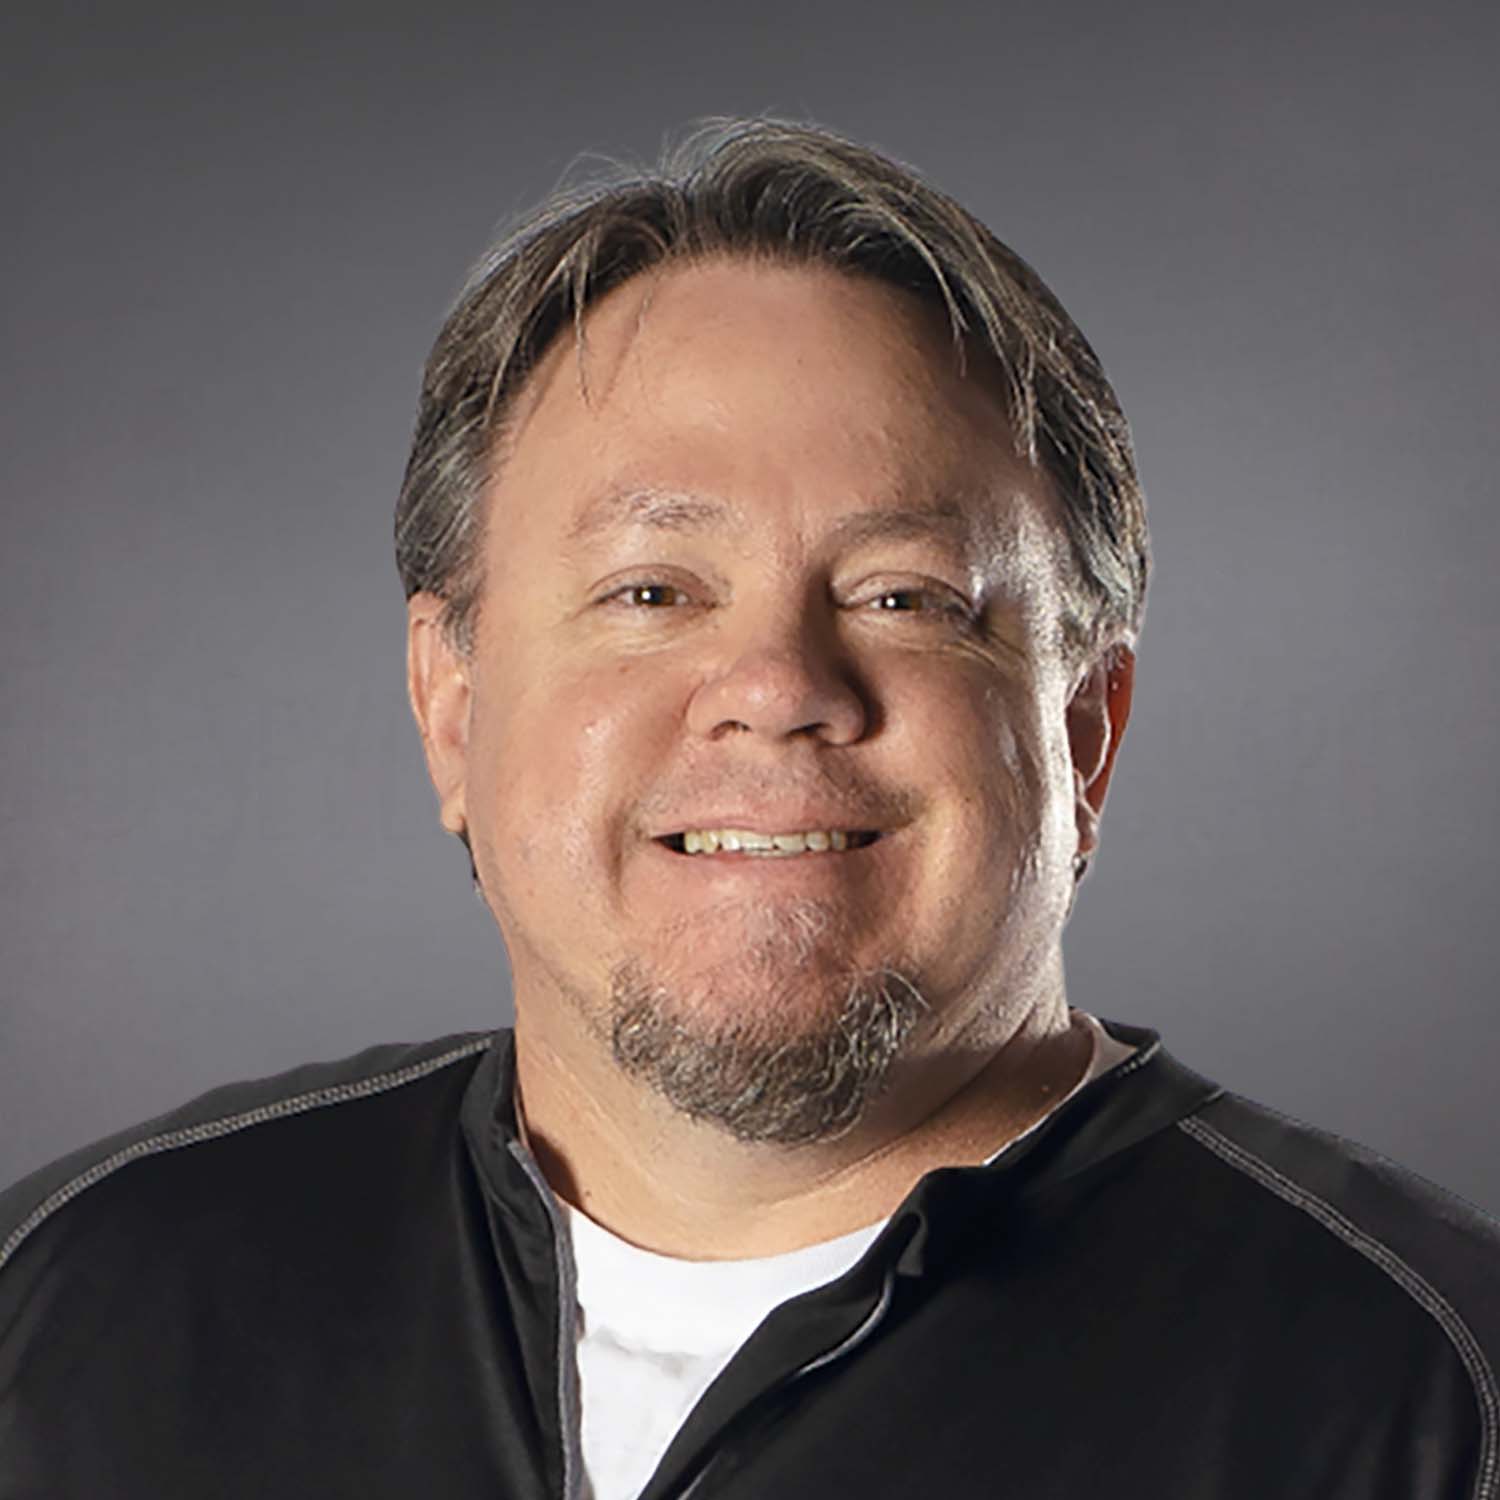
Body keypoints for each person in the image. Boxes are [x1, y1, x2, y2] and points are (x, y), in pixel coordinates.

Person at [1, 118, 1496, 1500]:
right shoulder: (70, 1301)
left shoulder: (1431, 1400)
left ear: (1083, 732)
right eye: (652, 591)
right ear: (452, 707)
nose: (777, 684)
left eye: (903, 596)